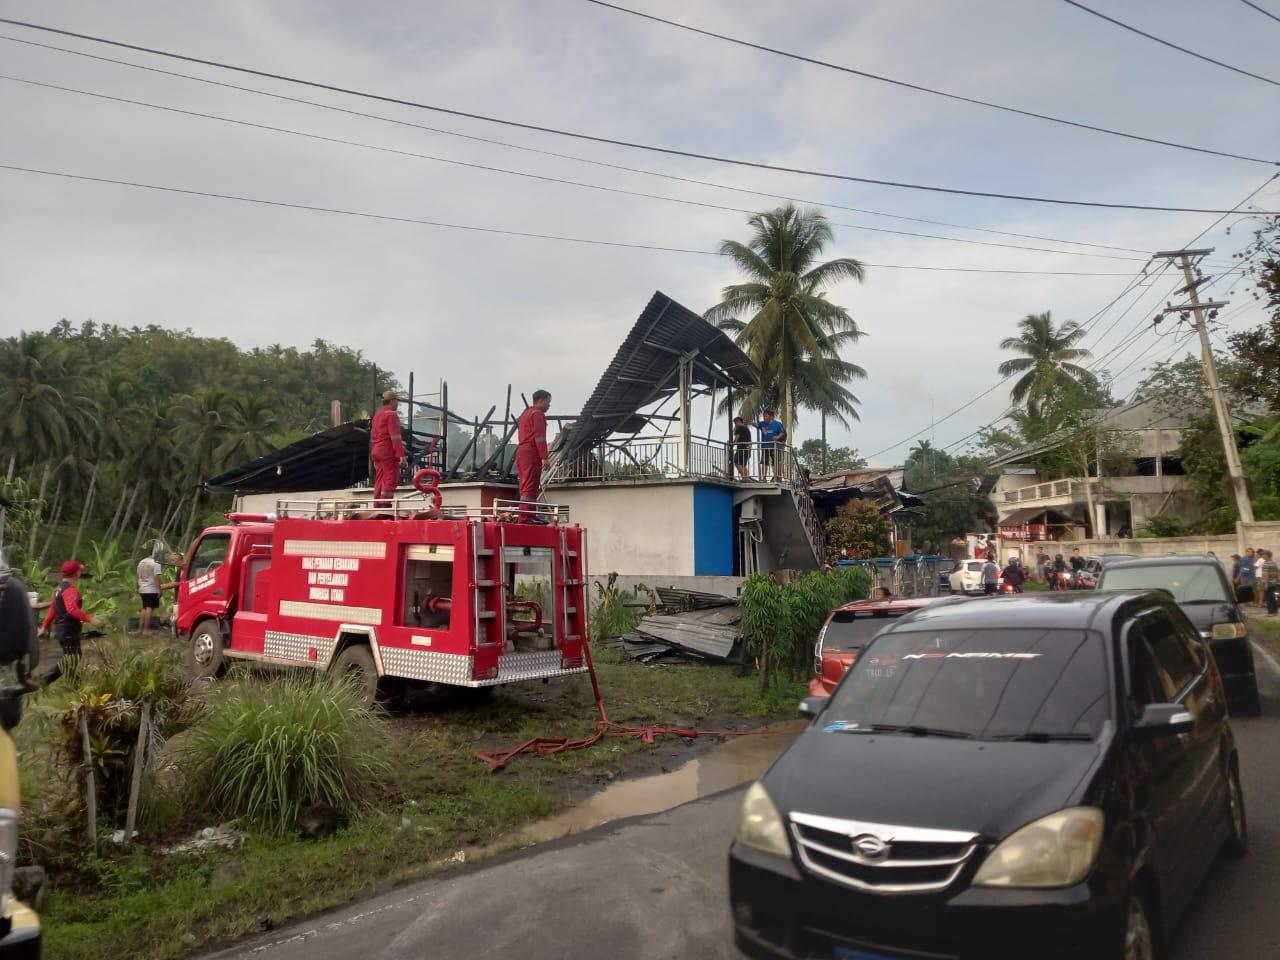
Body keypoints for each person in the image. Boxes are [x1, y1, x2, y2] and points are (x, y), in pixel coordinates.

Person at [38, 560, 103, 684]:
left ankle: (75, 685)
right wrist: (92, 619)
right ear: (75, 573)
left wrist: (44, 627)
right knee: (71, 659)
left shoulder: (58, 589)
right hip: (69, 630)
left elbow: (53, 609)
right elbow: (72, 609)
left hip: (63, 629)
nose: (80, 572)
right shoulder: (69, 590)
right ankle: (43, 681)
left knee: (72, 658)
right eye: (79, 570)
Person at [516, 390, 552, 519]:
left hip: (522, 452)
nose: (549, 406)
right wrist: (544, 457)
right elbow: (540, 438)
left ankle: (529, 515)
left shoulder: (525, 414)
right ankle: (526, 517)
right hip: (531, 452)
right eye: (548, 402)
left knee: (526, 485)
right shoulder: (538, 414)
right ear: (541, 400)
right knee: (530, 486)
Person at [370, 390, 406, 504]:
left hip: (376, 451)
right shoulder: (391, 415)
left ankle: (377, 504)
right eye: (397, 400)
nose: (397, 403)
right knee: (391, 477)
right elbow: (395, 436)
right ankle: (384, 504)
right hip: (387, 451)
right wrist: (401, 455)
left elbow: (373, 435)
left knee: (380, 478)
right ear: (392, 401)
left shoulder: (377, 415)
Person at [756, 409, 787, 482]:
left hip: (774, 447)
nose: (764, 418)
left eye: (766, 416)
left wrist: (777, 437)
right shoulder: (762, 423)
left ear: (771, 416)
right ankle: (764, 478)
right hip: (765, 447)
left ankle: (777, 477)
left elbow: (782, 433)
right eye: (764, 416)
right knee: (764, 462)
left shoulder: (777, 424)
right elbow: (758, 426)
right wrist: (754, 424)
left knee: (775, 462)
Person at [731, 416, 752, 481]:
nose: (735, 425)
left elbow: (736, 439)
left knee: (736, 462)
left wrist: (731, 445)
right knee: (743, 465)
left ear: (738, 422)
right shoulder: (747, 429)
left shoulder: (739, 429)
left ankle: (744, 477)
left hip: (741, 449)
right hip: (747, 449)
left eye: (735, 423)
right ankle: (745, 477)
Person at [1262, 549, 1279, 617]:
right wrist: (1276, 581)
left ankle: (1270, 612)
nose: (1262, 556)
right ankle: (1275, 611)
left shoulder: (1266, 563)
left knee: (1268, 598)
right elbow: (1277, 572)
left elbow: (1266, 574)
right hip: (1274, 583)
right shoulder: (1274, 562)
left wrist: (1266, 584)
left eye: (1264, 554)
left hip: (1268, 583)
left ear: (1267, 555)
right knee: (1273, 597)